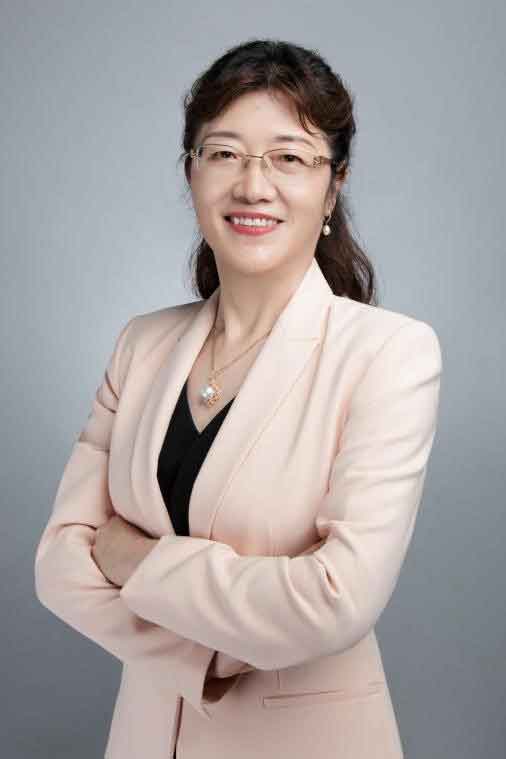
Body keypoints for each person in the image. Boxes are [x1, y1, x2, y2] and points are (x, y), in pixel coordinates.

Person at [34, 38, 442, 759]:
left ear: (333, 186)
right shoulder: (141, 344)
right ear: (191, 171)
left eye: (289, 157)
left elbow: (335, 598)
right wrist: (212, 652)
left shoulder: (389, 354)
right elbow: (59, 566)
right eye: (224, 153)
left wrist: (137, 561)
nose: (254, 185)